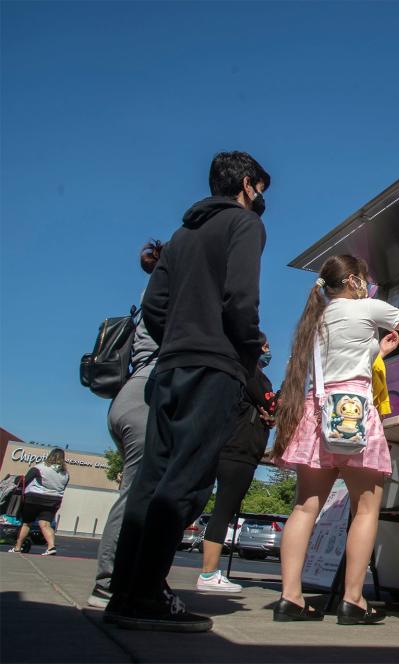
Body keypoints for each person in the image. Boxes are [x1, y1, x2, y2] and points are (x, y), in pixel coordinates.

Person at [105, 151, 270, 633]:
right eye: (260, 187)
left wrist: (180, 334)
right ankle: (148, 594)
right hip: (213, 367)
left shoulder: (181, 235)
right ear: (245, 184)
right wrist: (246, 348)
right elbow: (242, 298)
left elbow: (156, 305)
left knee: (151, 480)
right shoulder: (244, 226)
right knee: (188, 482)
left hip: (171, 365)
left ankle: (125, 589)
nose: (262, 198)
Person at [271, 254, 399, 623]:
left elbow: (340, 363)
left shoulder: (315, 319)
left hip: (317, 412)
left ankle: (290, 597)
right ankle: (353, 600)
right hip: (355, 415)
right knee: (366, 508)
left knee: (304, 508)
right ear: (352, 280)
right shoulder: (366, 307)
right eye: (363, 277)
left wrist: (378, 352)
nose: (367, 283)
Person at [87, 241, 164, 608]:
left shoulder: (152, 289)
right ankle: (108, 583)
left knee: (137, 494)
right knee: (135, 496)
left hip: (128, 397)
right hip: (145, 400)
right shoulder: (166, 289)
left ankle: (122, 577)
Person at [196, 340, 276, 593]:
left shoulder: (231, 374)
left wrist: (267, 415)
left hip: (223, 447)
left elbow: (265, 410)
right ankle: (208, 574)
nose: (268, 351)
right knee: (224, 511)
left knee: (214, 507)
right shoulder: (251, 373)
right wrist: (287, 391)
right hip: (239, 451)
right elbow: (273, 405)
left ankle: (207, 571)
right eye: (265, 346)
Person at [10, 448, 69, 555]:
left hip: (34, 499)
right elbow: (62, 487)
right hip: (53, 501)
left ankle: (18, 547)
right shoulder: (65, 474)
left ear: (50, 456)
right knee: (45, 524)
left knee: (26, 523)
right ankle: (51, 547)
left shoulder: (39, 468)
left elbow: (24, 481)